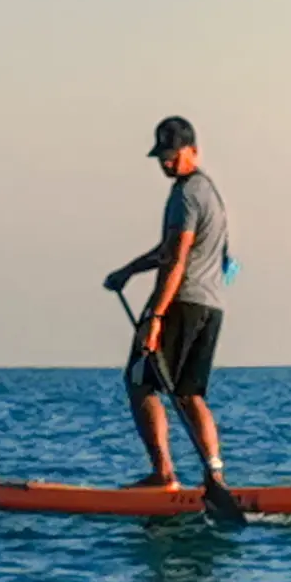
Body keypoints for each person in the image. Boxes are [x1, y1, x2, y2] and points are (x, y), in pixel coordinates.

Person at [103, 116, 234, 497]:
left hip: (181, 304)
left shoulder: (187, 195)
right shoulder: (209, 192)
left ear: (193, 151)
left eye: (173, 154)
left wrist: (157, 317)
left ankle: (162, 474)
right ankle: (215, 477)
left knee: (140, 382)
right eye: (162, 155)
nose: (166, 162)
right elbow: (171, 249)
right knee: (189, 393)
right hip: (210, 306)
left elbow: (176, 258)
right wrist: (129, 271)